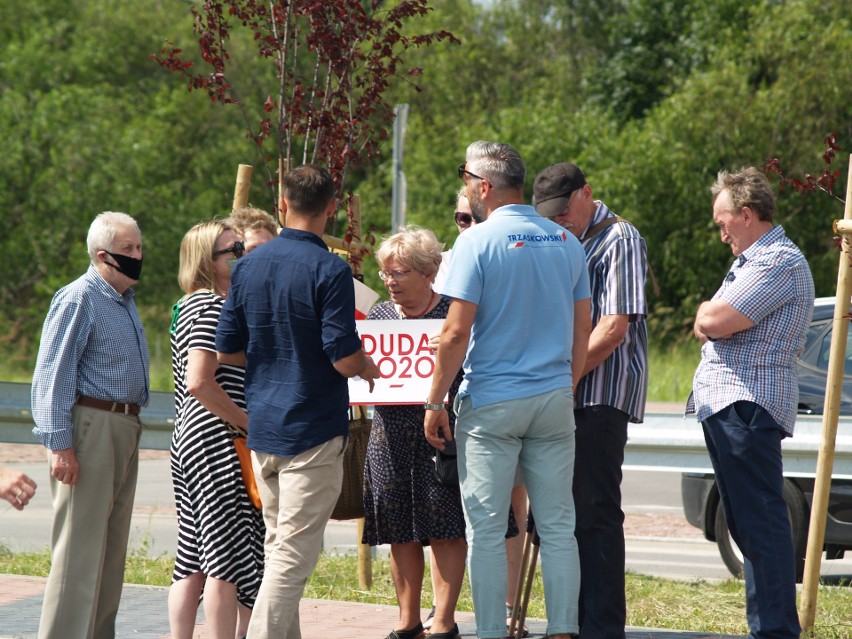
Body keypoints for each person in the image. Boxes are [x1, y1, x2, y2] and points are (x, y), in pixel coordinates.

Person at [425, 141, 591, 639]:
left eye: (465, 177)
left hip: (493, 398)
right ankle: (562, 629)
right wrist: (567, 383)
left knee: (487, 528)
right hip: (553, 396)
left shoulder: (475, 243)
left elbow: (454, 333)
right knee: (559, 525)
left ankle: (492, 631)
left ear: (483, 186)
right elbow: (583, 329)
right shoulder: (566, 242)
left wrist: (435, 400)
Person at [216, 164, 381, 638]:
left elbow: (226, 349)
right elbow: (342, 355)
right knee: (290, 561)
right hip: (311, 432)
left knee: (279, 550)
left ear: (282, 204)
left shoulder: (246, 265)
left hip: (263, 429)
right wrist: (366, 367)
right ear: (332, 208)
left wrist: (276, 353)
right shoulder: (330, 267)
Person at [689, 167, 813, 639]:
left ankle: (776, 630)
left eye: (723, 222)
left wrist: (708, 315)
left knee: (760, 524)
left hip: (748, 404)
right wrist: (708, 317)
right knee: (746, 523)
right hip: (732, 404)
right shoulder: (751, 261)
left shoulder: (776, 261)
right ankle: (769, 627)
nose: (720, 233)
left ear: (746, 214)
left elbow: (715, 318)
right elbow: (709, 319)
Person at [533, 162, 649, 639]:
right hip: (569, 392)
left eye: (564, 212)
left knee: (596, 512)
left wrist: (564, 378)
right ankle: (577, 622)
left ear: (587, 193)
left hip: (599, 395)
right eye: (551, 216)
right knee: (569, 516)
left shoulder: (619, 237)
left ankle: (601, 629)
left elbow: (613, 328)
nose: (560, 221)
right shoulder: (564, 239)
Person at [31, 211, 150, 639]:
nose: (138, 256)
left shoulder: (124, 300)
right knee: (79, 555)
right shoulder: (79, 297)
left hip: (123, 426)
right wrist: (60, 445)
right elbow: (53, 374)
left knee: (110, 552)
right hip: (91, 427)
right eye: (128, 250)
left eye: (139, 247)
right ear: (103, 256)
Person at [362, 226, 468, 639]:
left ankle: (443, 621)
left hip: (441, 435)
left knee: (445, 527)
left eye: (400, 272)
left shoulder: (453, 315)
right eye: (385, 272)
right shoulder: (380, 316)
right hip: (388, 435)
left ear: (429, 272)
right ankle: (407, 621)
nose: (389, 281)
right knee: (397, 530)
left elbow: (470, 368)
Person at [431, 188, 528, 636]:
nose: (465, 226)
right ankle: (445, 611)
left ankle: (506, 608)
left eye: (472, 217)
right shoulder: (449, 260)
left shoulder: (509, 249)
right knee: (455, 506)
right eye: (459, 218)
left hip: (498, 388)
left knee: (511, 502)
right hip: (453, 388)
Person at [168, 220, 265, 639]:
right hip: (215, 439)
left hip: (192, 437)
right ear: (206, 261)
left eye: (241, 246)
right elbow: (199, 381)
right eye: (232, 250)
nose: (242, 253)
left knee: (193, 555)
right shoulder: (209, 306)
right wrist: (249, 423)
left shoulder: (191, 303)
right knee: (225, 557)